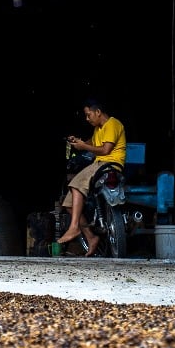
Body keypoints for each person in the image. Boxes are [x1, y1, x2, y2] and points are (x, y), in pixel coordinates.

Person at [56, 98, 127, 256]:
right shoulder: (99, 129)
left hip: (108, 164)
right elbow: (92, 143)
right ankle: (91, 238)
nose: (87, 119)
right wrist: (79, 142)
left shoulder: (112, 124)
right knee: (69, 204)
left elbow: (105, 150)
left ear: (98, 112)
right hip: (100, 165)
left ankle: (74, 227)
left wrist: (84, 147)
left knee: (75, 184)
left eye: (88, 115)